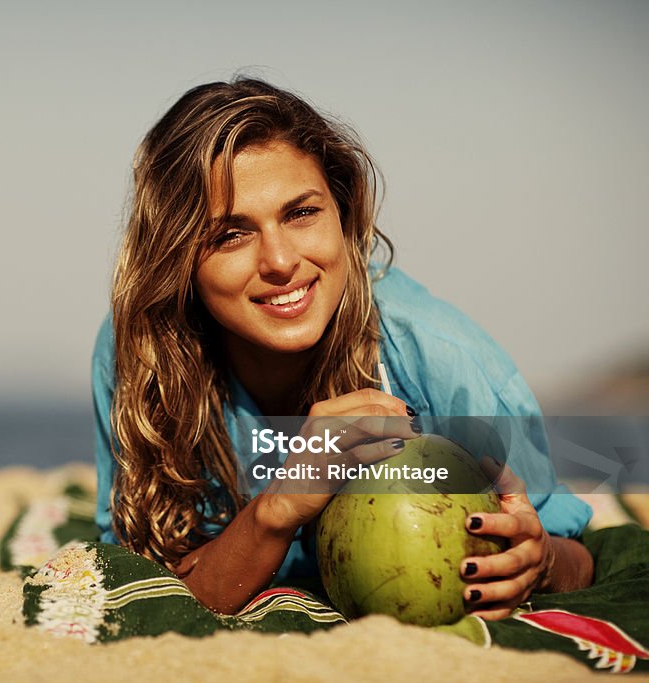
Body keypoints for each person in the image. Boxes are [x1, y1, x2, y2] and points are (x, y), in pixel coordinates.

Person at [92, 77, 594, 619]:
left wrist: (538, 562)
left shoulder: (439, 358)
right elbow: (148, 587)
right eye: (229, 234)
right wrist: (277, 509)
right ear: (177, 260)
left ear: (344, 212)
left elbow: (577, 555)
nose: (280, 261)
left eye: (301, 213)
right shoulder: (145, 356)